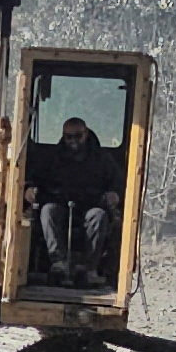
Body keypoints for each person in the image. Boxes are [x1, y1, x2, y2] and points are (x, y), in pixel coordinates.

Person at [28, 115, 122, 287]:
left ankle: (89, 268)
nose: (73, 141)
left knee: (99, 216)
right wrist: (30, 189)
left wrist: (114, 194)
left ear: (86, 134)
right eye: (68, 137)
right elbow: (35, 178)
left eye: (77, 136)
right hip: (60, 206)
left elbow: (118, 183)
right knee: (48, 211)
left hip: (92, 206)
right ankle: (58, 263)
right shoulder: (53, 158)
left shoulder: (102, 159)